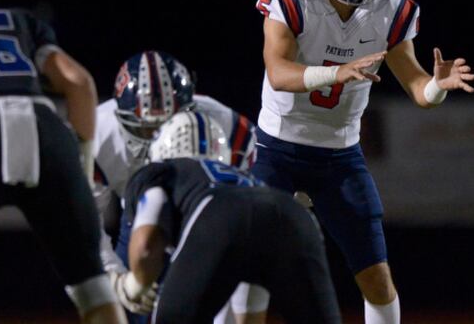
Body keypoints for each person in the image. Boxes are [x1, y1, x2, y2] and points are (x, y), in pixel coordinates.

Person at [253, 0, 474, 324]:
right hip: (276, 150)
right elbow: (279, 74)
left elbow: (418, 89)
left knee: (377, 277)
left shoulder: (391, 9)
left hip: (339, 156)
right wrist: (337, 72)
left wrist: (437, 88)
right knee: (252, 270)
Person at [0, 0, 126, 323]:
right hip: (45, 130)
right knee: (93, 287)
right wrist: (80, 168)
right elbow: (79, 82)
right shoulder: (21, 22)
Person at [93, 50, 266, 323]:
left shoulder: (225, 125)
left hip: (208, 220)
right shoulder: (98, 134)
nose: (157, 139)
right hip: (139, 219)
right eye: (145, 130)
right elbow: (84, 219)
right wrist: (114, 276)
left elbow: (253, 208)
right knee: (128, 305)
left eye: (167, 124)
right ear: (121, 117)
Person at [123, 111, 341, 323]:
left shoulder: (162, 171)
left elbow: (146, 248)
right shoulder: (244, 179)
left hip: (216, 214)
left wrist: (134, 285)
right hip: (293, 212)